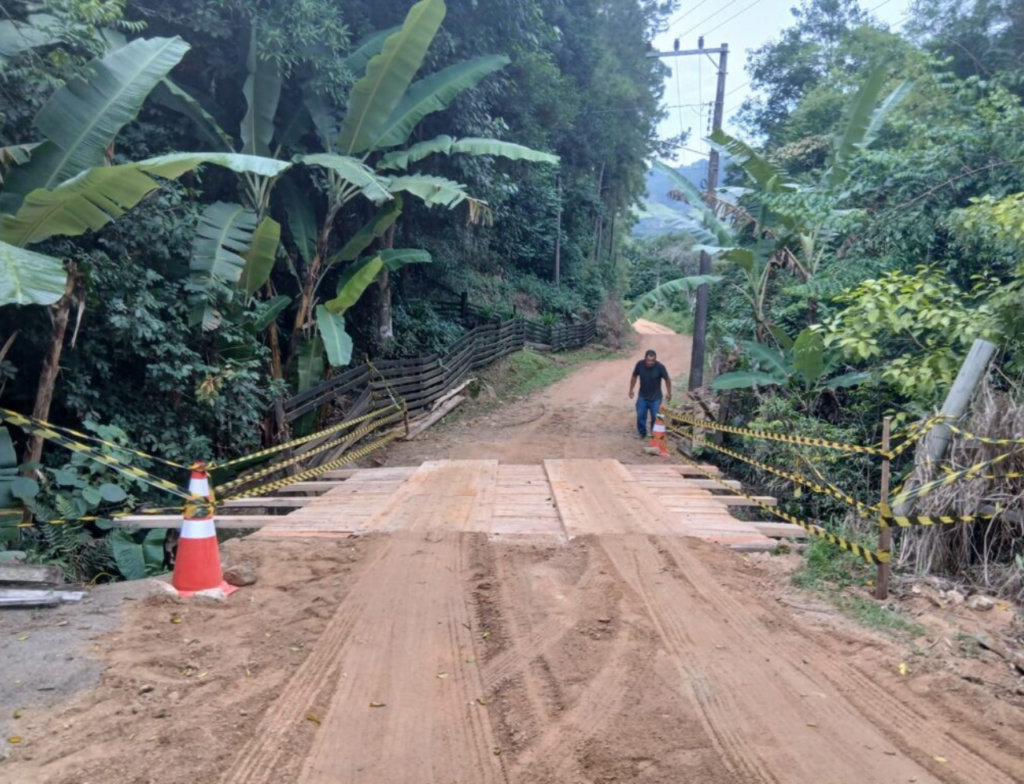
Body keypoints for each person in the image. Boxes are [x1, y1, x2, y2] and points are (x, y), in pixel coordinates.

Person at [629, 349, 672, 438]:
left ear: (655, 360)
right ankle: (642, 433)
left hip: (656, 398)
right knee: (640, 415)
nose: (650, 363)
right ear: (645, 358)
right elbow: (634, 376)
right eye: (648, 360)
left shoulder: (660, 367)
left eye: (652, 361)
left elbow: (667, 379)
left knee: (655, 416)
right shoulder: (639, 365)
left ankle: (654, 433)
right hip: (643, 396)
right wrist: (631, 389)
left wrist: (669, 392)